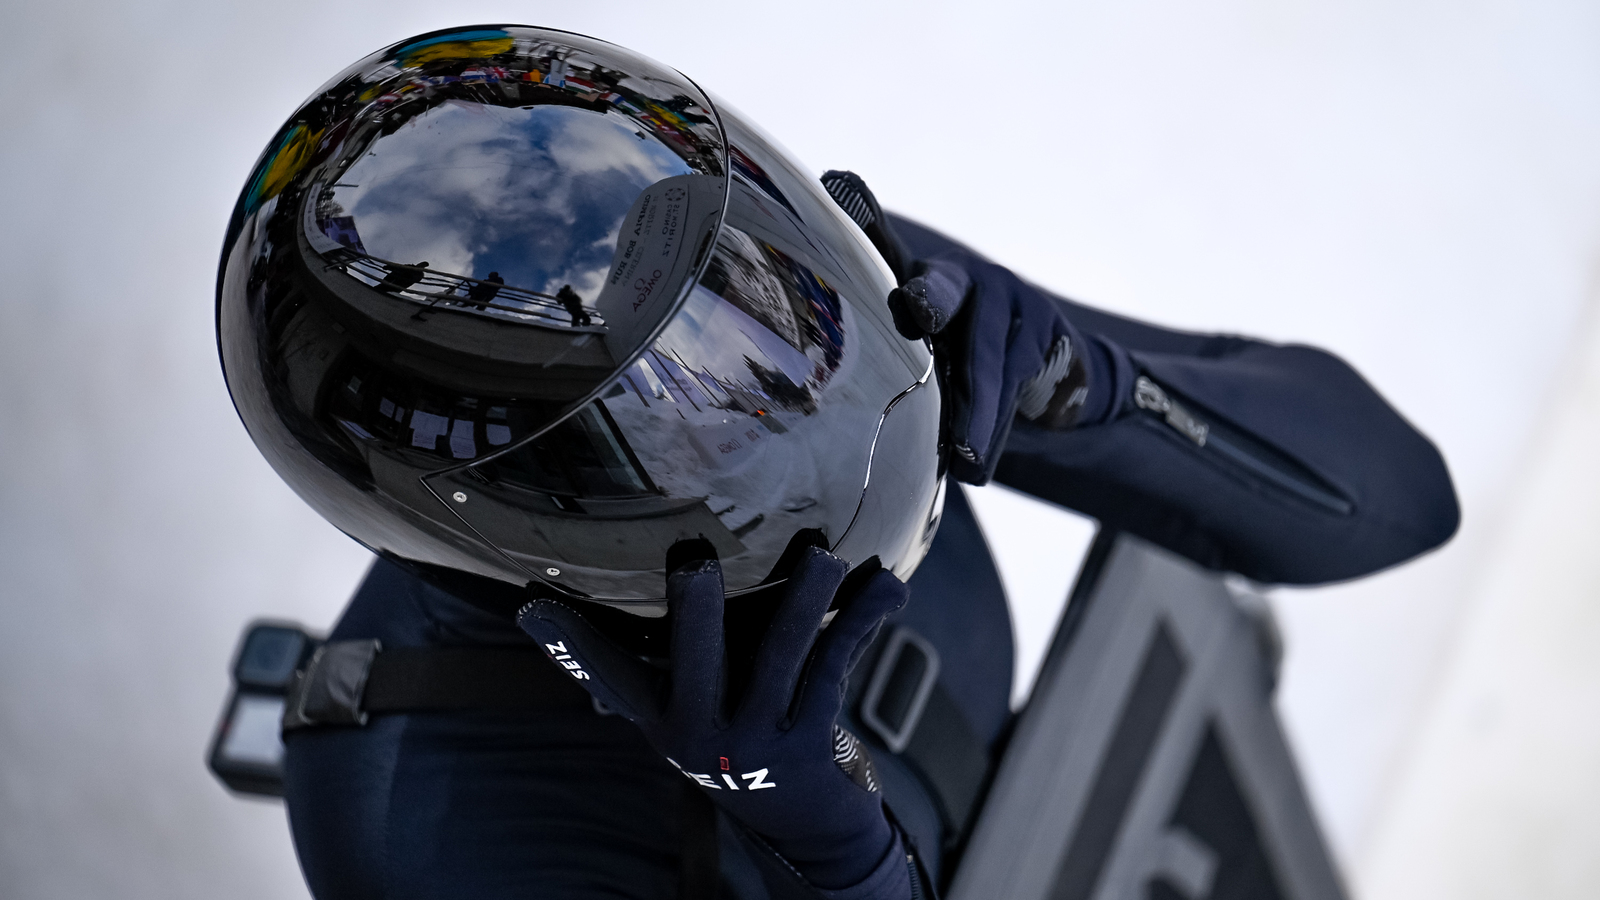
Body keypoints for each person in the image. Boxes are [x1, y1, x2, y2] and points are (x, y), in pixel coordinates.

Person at [217, 26, 1457, 900]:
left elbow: (1394, 506)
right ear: (524, 525)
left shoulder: (821, 310)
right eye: (653, 433)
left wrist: (1095, 392)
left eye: (737, 316)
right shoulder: (419, 823)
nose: (773, 409)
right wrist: (822, 846)